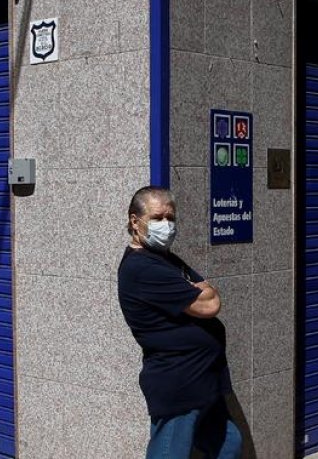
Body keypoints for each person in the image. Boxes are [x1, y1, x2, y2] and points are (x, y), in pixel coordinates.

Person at [117, 186, 241, 459]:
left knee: (228, 445)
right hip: (180, 383)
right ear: (135, 221)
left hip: (203, 380)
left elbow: (206, 291)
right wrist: (200, 288)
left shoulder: (165, 260)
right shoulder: (143, 268)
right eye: (158, 218)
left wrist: (200, 288)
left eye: (170, 218)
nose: (167, 226)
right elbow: (210, 303)